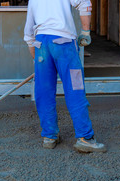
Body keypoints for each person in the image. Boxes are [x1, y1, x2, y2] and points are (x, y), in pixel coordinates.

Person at [24, 0, 106, 153]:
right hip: (64, 43)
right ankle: (85, 138)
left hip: (41, 44)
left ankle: (49, 136)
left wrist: (37, 59)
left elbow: (29, 29)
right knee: (75, 88)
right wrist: (86, 31)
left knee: (44, 91)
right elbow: (84, 4)